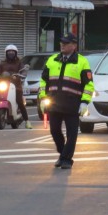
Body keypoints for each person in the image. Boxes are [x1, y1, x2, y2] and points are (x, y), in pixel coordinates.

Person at [38, 33, 94, 169]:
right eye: (61, 42)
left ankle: (66, 159)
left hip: (72, 104)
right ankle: (63, 153)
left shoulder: (82, 62)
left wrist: (84, 102)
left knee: (72, 133)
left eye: (66, 43)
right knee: (54, 130)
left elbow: (89, 84)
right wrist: (42, 97)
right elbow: (43, 80)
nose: (62, 45)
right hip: (54, 103)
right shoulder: (52, 60)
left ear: (74, 46)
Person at [0, 44, 32, 129]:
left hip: (16, 86)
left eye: (12, 52)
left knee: (20, 102)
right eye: (9, 52)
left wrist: (20, 75)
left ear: (15, 53)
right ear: (6, 53)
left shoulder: (19, 63)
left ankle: (27, 121)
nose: (11, 53)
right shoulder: (2, 63)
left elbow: (23, 71)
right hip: (4, 84)